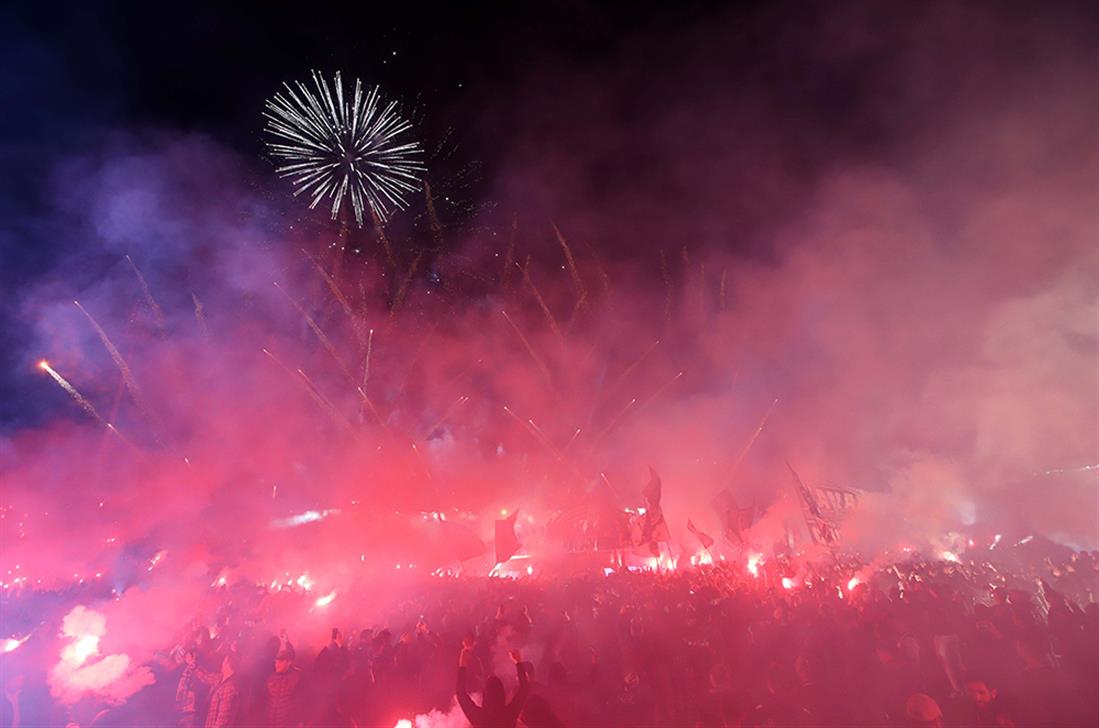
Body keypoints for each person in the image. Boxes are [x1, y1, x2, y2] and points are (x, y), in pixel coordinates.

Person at [456, 647, 529, 728]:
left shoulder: (478, 717)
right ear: (502, 693)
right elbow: (524, 689)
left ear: (485, 695)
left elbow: (460, 693)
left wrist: (463, 664)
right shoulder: (510, 714)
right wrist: (518, 662)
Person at [265, 648, 304, 728]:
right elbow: (266, 700)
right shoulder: (270, 678)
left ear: (289, 662)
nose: (277, 664)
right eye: (276, 661)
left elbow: (301, 702)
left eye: (281, 661)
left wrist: (300, 722)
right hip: (271, 722)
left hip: (289, 723)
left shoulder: (297, 678)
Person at [205, 654, 241, 728]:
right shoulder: (220, 678)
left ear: (228, 664)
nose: (222, 663)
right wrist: (194, 666)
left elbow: (224, 716)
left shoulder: (230, 687)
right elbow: (206, 677)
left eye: (224, 661)